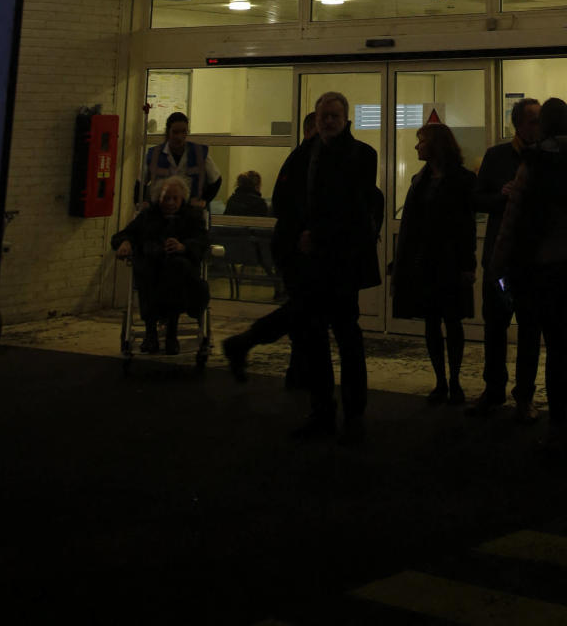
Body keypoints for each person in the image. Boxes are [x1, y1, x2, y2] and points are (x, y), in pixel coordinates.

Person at [493, 97, 567, 449]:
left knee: (556, 346)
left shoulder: (535, 162)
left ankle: (557, 424)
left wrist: (499, 261)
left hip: (547, 266)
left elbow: (514, 217)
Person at [285, 90, 382, 443]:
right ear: (316, 118)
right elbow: (292, 199)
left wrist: (315, 235)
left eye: (334, 116)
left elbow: (352, 207)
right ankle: (324, 408)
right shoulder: (307, 154)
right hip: (315, 263)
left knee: (345, 335)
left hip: (341, 262)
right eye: (324, 116)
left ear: (346, 119)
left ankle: (352, 410)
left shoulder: (360, 155)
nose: (328, 121)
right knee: (319, 338)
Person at [222, 111, 316, 384]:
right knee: (304, 309)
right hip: (298, 249)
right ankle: (245, 343)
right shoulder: (305, 159)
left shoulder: (299, 159)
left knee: (304, 311)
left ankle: (296, 370)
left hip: (290, 247)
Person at [392, 122, 477, 404]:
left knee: (451, 321)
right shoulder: (422, 180)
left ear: (436, 146)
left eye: (421, 141)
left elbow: (466, 227)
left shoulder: (456, 181)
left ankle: (451, 379)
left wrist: (468, 265)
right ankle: (442, 380)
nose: (417, 146)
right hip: (427, 263)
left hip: (449, 263)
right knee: (433, 322)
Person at [470, 97, 541, 419]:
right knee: (495, 326)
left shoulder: (544, 157)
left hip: (532, 258)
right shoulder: (497, 156)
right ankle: (494, 388)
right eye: (532, 121)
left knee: (529, 329)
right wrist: (501, 195)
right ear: (518, 124)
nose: (537, 127)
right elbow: (477, 199)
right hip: (500, 257)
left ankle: (524, 395)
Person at [112, 175, 208, 353]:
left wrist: (183, 247)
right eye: (166, 198)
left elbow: (203, 242)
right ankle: (151, 333)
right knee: (149, 269)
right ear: (158, 198)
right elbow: (125, 234)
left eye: (175, 198)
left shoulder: (192, 217)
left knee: (175, 269)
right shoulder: (148, 216)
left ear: (183, 199)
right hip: (152, 266)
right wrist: (125, 243)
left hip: (179, 268)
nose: (170, 203)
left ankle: (170, 332)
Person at [143, 111, 221, 209]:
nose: (179, 137)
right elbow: (140, 183)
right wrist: (143, 203)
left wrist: (204, 201)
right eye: (175, 132)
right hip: (161, 214)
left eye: (183, 132)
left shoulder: (199, 153)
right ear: (168, 132)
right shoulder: (153, 155)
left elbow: (216, 180)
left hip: (191, 214)